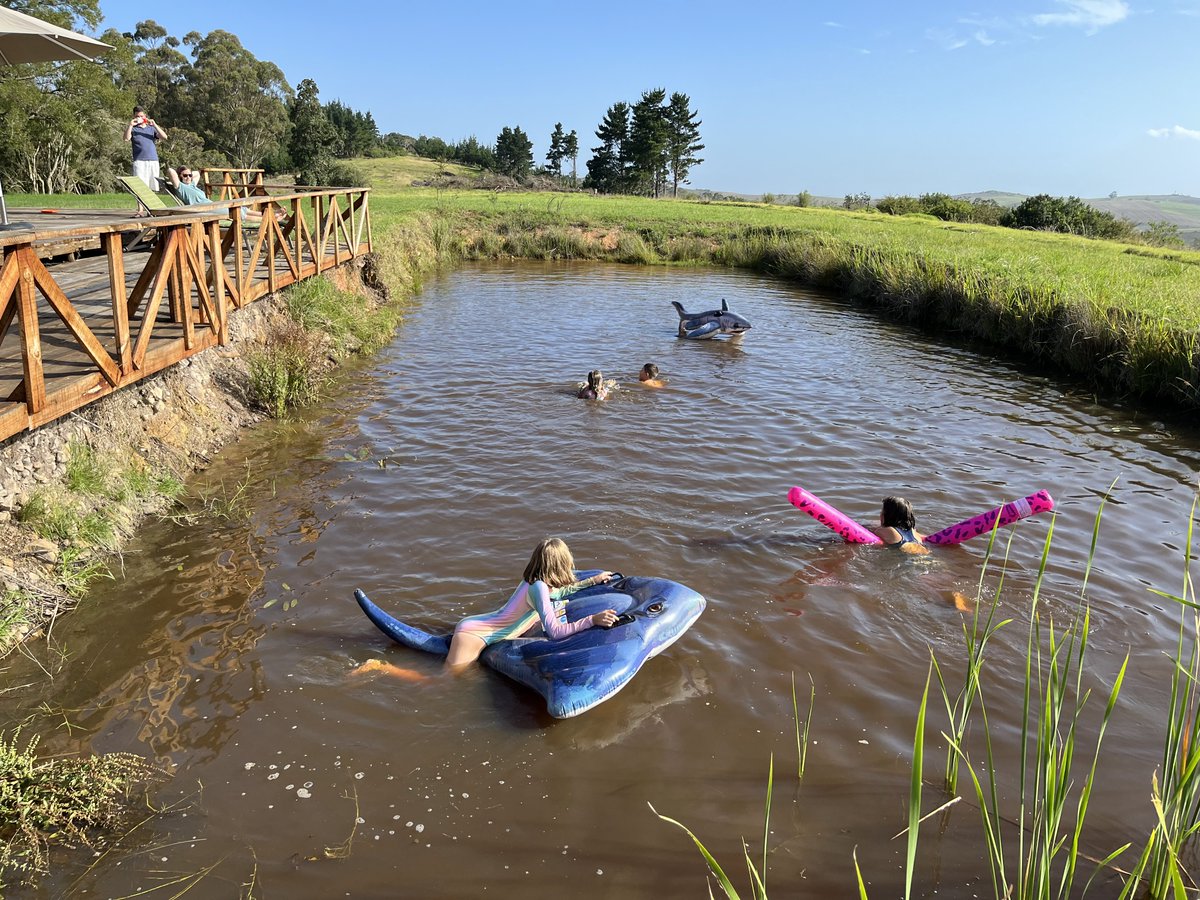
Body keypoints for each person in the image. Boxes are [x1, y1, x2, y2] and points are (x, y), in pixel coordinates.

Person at [353, 539, 618, 678]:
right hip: (473, 637)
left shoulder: (536, 581)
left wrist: (592, 581)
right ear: (559, 565)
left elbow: (560, 592)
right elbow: (556, 632)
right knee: (440, 684)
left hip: (477, 625)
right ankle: (381, 667)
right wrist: (592, 620)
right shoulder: (538, 588)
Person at [124, 106, 167, 192]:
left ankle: (152, 201)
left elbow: (164, 137)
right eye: (137, 116)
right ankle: (140, 202)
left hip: (153, 160)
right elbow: (126, 138)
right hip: (139, 161)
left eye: (141, 116)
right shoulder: (133, 129)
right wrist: (130, 125)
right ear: (134, 117)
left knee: (153, 187)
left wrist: (154, 124)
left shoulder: (151, 128)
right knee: (140, 189)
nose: (139, 118)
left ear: (145, 116)